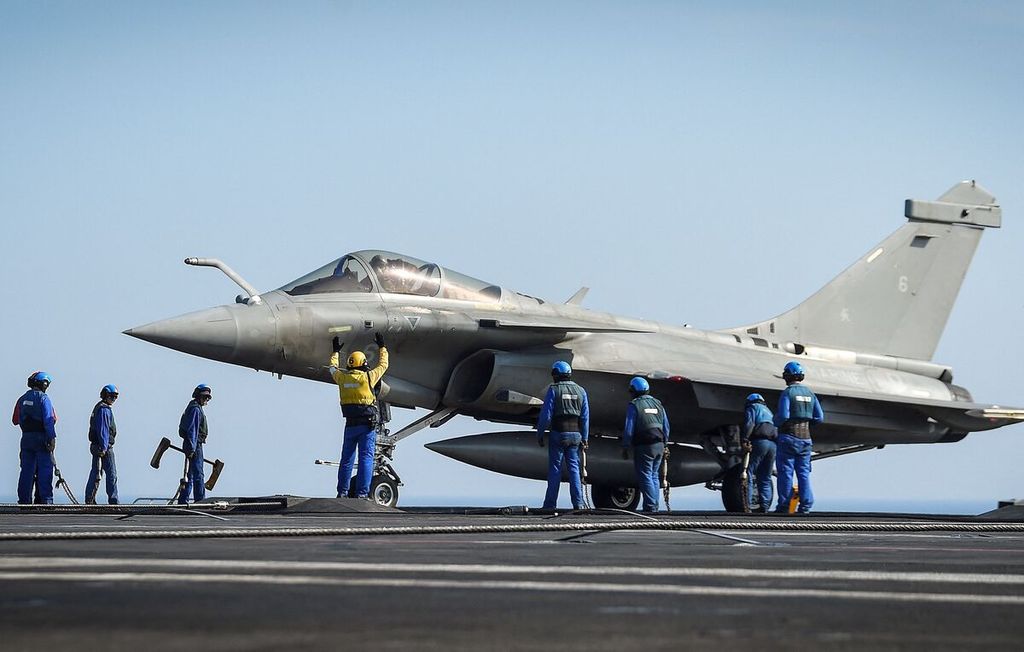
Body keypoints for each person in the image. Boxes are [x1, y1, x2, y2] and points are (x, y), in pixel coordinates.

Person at [331, 333, 389, 499]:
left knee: (347, 460)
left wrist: (335, 352)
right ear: (363, 364)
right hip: (367, 426)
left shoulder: (342, 378)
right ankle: (362, 494)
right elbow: (384, 365)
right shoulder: (369, 377)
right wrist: (382, 347)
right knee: (366, 459)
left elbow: (332, 369)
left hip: (350, 425)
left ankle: (342, 492)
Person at [536, 361, 589, 510]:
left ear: (555, 375)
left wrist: (540, 434)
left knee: (555, 470)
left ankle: (550, 504)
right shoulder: (581, 391)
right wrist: (584, 438)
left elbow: (546, 416)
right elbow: (585, 417)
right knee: (574, 470)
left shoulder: (554, 390)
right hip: (576, 435)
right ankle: (578, 503)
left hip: (558, 434)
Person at [773, 361, 824, 514]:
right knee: (803, 473)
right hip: (806, 439)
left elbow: (783, 415)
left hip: (788, 437)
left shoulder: (788, 393)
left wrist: (774, 421)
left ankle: (784, 505)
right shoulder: (810, 393)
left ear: (786, 376)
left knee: (785, 472)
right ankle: (806, 506)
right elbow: (819, 417)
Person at [621, 377, 670, 513]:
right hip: (659, 444)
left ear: (633, 390)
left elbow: (629, 428)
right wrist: (664, 443)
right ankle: (654, 506)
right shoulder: (658, 403)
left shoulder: (634, 405)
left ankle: (649, 507)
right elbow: (666, 426)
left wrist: (625, 446)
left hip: (644, 446)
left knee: (646, 475)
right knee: (654, 475)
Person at [12, 371, 58, 504]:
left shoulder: (22, 399)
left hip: (26, 439)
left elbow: (15, 420)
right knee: (45, 470)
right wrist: (51, 438)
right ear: (44, 384)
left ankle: (24, 501)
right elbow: (49, 421)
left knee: (26, 471)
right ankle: (46, 501)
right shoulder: (44, 398)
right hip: (41, 438)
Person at [741, 393, 777, 513]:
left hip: (760, 442)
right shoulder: (768, 411)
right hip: (773, 445)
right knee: (765, 476)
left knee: (749, 473)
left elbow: (749, 424)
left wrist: (745, 439)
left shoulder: (753, 408)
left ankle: (748, 505)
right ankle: (765, 506)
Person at [178, 384, 212, 504]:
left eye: (207, 398)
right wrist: (192, 448)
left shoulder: (194, 407)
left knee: (190, 475)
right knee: (198, 475)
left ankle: (183, 501)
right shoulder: (195, 409)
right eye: (204, 397)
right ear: (198, 396)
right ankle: (200, 501)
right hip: (195, 445)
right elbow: (193, 429)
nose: (206, 400)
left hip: (193, 444)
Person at [85, 384, 119, 504]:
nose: (114, 399)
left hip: (96, 446)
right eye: (112, 396)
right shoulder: (104, 410)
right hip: (104, 447)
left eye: (116, 396)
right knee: (111, 475)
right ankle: (113, 501)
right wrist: (104, 448)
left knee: (95, 473)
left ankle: (89, 499)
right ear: (105, 395)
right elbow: (103, 430)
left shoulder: (98, 407)